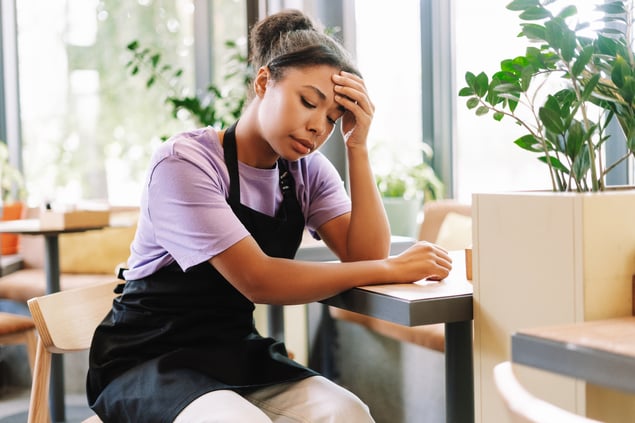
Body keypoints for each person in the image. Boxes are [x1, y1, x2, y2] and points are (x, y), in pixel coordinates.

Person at [87, 9, 452, 423]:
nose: (318, 127)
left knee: (347, 412)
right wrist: (389, 268)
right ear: (263, 82)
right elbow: (257, 279)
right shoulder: (185, 163)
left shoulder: (306, 171)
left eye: (333, 118)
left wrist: (357, 147)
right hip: (148, 359)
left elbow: (362, 254)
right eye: (308, 102)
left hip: (232, 351)